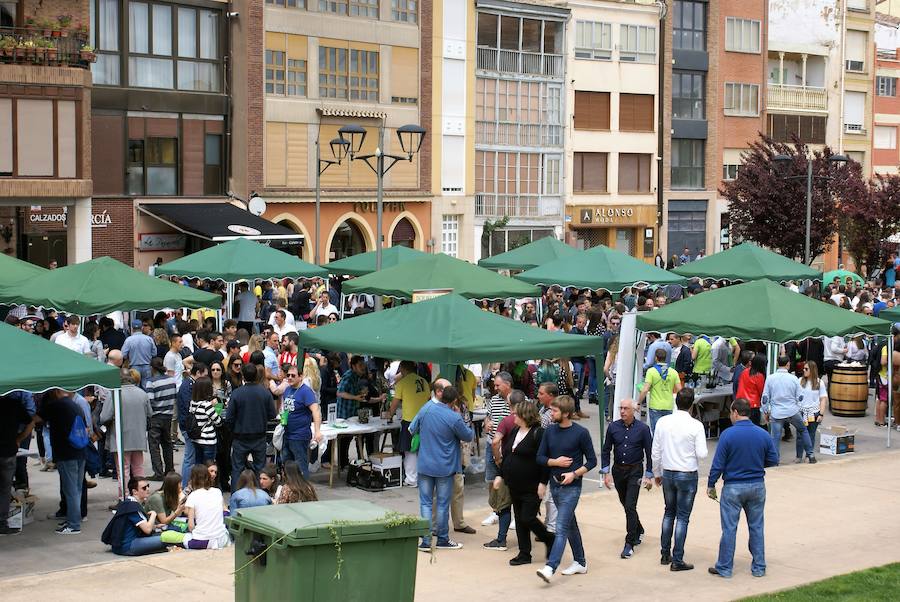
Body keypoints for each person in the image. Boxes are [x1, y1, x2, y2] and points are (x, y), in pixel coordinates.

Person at [707, 398, 779, 578]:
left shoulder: (728, 435)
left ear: (736, 413)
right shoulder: (762, 434)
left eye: (731, 413)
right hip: (756, 485)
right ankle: (759, 567)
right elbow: (773, 460)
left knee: (729, 528)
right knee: (756, 527)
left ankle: (724, 567)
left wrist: (711, 484)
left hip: (733, 486)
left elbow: (718, 464)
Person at [536, 395, 597, 583]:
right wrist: (553, 465)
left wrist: (574, 474)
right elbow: (540, 457)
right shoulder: (550, 431)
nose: (551, 413)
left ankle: (550, 566)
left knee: (561, 527)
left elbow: (592, 460)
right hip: (555, 486)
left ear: (566, 413)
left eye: (554, 411)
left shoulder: (581, 433)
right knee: (570, 525)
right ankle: (580, 562)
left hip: (572, 488)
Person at [410, 381, 474, 551]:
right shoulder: (453, 417)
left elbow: (411, 428)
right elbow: (468, 436)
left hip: (424, 463)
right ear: (453, 402)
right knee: (443, 503)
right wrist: (460, 417)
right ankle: (443, 539)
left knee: (425, 503)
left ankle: (425, 541)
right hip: (445, 466)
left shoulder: (426, 409)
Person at [651, 388, 708, 571]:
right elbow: (702, 453)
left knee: (669, 512)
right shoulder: (695, 425)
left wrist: (657, 472)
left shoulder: (663, 422)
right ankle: (677, 559)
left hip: (668, 472)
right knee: (682, 517)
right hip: (687, 473)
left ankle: (665, 553)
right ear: (691, 404)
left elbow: (656, 452)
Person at [495, 399, 554, 566]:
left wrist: (543, 483)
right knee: (520, 519)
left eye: (516, 413)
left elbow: (544, 461)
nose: (513, 415)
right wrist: (501, 475)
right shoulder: (515, 431)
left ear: (525, 415)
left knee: (528, 517)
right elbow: (508, 455)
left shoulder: (539, 433)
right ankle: (524, 553)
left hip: (532, 486)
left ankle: (548, 538)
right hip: (514, 485)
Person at [600, 398, 653, 560]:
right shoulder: (613, 427)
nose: (622, 411)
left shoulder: (643, 429)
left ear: (633, 411)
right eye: (620, 408)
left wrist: (649, 475)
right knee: (626, 504)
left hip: (635, 471)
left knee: (630, 505)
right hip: (618, 471)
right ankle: (639, 528)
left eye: (625, 408)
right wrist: (606, 472)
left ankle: (629, 543)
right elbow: (606, 449)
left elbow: (650, 453)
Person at [33, 389, 87, 534]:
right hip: (80, 450)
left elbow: (36, 419)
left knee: (70, 490)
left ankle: (73, 524)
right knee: (77, 489)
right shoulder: (76, 404)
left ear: (55, 392)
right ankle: (73, 518)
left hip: (66, 452)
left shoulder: (56, 405)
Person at [225, 364, 276, 489]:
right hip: (259, 436)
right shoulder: (264, 393)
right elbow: (272, 414)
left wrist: (233, 430)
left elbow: (229, 417)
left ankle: (236, 497)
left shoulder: (237, 393)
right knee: (260, 469)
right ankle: (260, 497)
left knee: (237, 469)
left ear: (243, 376)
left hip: (240, 436)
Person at [100, 369, 152, 486]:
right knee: (139, 469)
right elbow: (150, 413)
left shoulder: (113, 394)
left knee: (124, 471)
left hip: (120, 438)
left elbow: (104, 417)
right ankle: (141, 495)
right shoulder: (142, 394)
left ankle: (124, 498)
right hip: (138, 437)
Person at [761, 355, 815, 464]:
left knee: (775, 437)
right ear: (788, 364)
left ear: (777, 364)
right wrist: (798, 407)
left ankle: (775, 460)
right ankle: (810, 454)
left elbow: (765, 398)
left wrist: (766, 411)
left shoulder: (770, 378)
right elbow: (800, 396)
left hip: (777, 412)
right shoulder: (793, 378)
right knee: (803, 430)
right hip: (792, 410)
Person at [389, 361, 431, 487]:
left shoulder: (402, 383)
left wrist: (389, 414)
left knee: (410, 450)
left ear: (402, 369)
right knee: (422, 449)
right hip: (424, 419)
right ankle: (423, 476)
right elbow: (428, 398)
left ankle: (411, 478)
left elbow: (395, 403)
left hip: (409, 420)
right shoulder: (423, 381)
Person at [102, 476, 168, 555]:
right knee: (169, 538)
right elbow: (147, 530)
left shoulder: (129, 503)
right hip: (128, 546)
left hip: (122, 545)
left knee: (165, 534)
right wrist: (153, 514)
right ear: (135, 491)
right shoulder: (133, 506)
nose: (147, 489)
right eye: (144, 488)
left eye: (148, 486)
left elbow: (134, 526)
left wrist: (155, 527)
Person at [482, 371, 513, 526]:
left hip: (508, 447)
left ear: (507, 385)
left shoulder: (518, 400)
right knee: (491, 479)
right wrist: (487, 423)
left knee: (511, 480)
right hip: (491, 444)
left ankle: (513, 514)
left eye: (497, 385)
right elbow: (488, 416)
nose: (495, 388)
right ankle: (495, 511)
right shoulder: (494, 400)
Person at [280, 365, 323, 478]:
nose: (289, 377)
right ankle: (290, 491)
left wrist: (317, 431)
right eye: (288, 375)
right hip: (287, 434)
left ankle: (304, 492)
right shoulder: (287, 389)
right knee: (287, 465)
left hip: (300, 436)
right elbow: (285, 409)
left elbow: (316, 411)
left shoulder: (306, 391)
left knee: (300, 467)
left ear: (300, 377)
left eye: (293, 375)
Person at [145, 357, 177, 480]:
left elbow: (150, 401)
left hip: (156, 416)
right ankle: (170, 469)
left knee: (154, 445)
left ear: (152, 368)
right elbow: (174, 395)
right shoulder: (171, 380)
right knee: (167, 443)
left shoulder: (151, 382)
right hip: (168, 415)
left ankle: (158, 472)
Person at [183, 464, 229, 550]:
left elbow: (191, 526)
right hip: (222, 539)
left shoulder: (193, 496)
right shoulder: (217, 492)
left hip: (202, 541)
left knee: (184, 538)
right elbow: (225, 510)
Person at [177, 363, 208, 488]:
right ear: (198, 373)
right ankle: (185, 486)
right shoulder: (188, 386)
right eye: (204, 375)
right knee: (189, 458)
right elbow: (188, 406)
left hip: (189, 425)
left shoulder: (189, 384)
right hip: (189, 427)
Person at [638, 348, 683, 433]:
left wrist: (638, 403)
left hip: (655, 406)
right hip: (668, 406)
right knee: (667, 433)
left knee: (656, 433)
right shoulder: (673, 372)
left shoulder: (651, 371)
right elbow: (680, 390)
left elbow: (645, 390)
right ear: (666, 358)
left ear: (656, 358)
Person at [189, 376, 221, 463]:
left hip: (196, 439)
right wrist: (218, 407)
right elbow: (218, 421)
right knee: (209, 465)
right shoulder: (207, 405)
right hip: (208, 440)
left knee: (198, 465)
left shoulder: (192, 403)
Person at [798, 361, 827, 450]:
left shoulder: (819, 382)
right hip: (801, 412)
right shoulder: (800, 381)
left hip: (813, 413)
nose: (804, 370)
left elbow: (823, 399)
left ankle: (809, 455)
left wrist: (821, 414)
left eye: (806, 369)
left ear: (812, 370)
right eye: (803, 368)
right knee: (799, 436)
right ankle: (798, 456)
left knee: (811, 435)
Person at [122, 320, 156, 387]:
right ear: (141, 328)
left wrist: (130, 356)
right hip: (147, 366)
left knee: (135, 387)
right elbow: (154, 353)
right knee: (147, 387)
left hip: (134, 367)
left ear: (132, 328)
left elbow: (123, 355)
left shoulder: (128, 340)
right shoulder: (149, 339)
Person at [736, 354, 767, 426]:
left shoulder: (744, 371)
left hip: (741, 402)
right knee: (754, 425)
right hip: (753, 405)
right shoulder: (759, 375)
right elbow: (761, 391)